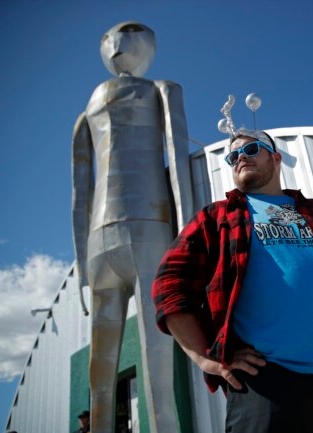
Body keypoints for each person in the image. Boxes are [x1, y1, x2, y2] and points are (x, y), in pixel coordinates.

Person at [152, 130, 313, 433]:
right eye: (233, 156)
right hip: (266, 384)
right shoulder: (216, 219)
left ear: (276, 158)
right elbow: (169, 287)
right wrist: (205, 359)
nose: (240, 157)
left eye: (251, 149)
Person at [71, 21, 192, 433]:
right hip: (148, 225)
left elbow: (79, 196)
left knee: (101, 379)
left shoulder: (88, 110)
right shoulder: (162, 89)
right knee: (156, 368)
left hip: (98, 242)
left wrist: (82, 268)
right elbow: (176, 163)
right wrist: (190, 236)